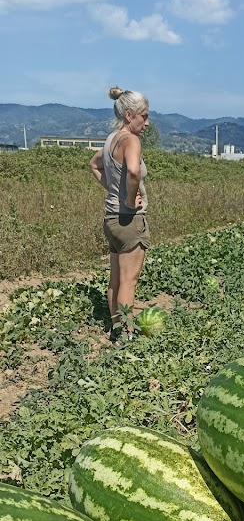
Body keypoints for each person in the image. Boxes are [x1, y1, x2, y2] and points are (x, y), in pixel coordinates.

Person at [90, 86, 150, 340]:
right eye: (144, 116)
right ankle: (126, 336)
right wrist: (128, 196)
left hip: (111, 218)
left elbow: (94, 165)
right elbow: (134, 171)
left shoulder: (111, 140)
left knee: (115, 279)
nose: (147, 122)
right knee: (129, 281)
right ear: (129, 115)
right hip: (128, 220)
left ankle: (116, 329)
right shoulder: (131, 140)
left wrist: (113, 190)